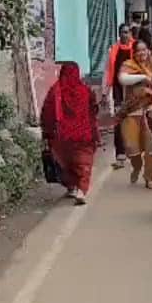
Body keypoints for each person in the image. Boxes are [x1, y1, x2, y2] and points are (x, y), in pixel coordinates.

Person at [39, 62, 100, 205]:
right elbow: (93, 111)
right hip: (83, 133)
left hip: (62, 135)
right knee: (83, 162)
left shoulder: (56, 90)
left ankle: (72, 187)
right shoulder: (85, 90)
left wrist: (46, 131)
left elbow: (47, 112)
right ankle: (81, 190)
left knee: (66, 162)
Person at [118, 39, 152, 187]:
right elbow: (122, 79)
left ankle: (149, 177)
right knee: (132, 149)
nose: (142, 53)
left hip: (150, 111)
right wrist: (143, 77)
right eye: (138, 50)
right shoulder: (128, 65)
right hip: (132, 111)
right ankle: (136, 166)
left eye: (144, 49)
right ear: (133, 53)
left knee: (151, 147)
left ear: (148, 51)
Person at [103, 31, 135, 169]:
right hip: (117, 92)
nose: (125, 35)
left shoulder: (137, 48)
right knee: (118, 122)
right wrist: (105, 90)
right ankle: (120, 155)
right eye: (122, 32)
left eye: (127, 32)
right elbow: (107, 70)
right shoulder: (113, 50)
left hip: (134, 92)